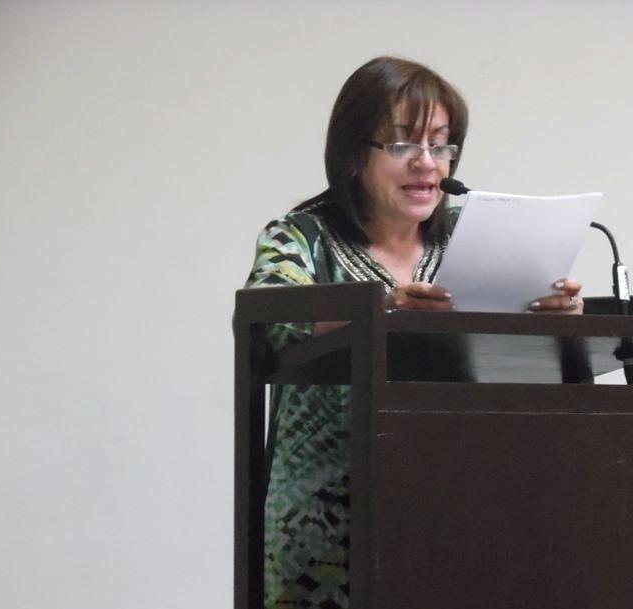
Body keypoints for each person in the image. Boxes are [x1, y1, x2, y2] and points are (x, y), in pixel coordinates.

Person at [244, 56, 583, 609]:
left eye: (441, 145)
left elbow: (506, 372)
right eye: (404, 145)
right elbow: (270, 319)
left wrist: (551, 321)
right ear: (355, 154)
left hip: (453, 511)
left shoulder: (469, 246)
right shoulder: (301, 237)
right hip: (326, 529)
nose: (428, 164)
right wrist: (380, 309)